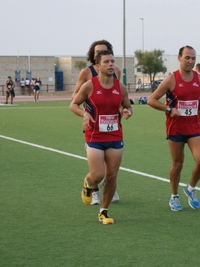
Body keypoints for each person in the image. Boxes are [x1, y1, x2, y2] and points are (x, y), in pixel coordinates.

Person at [69, 50, 132, 224]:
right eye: (106, 62)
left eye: (113, 61)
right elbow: (73, 104)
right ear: (98, 66)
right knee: (97, 175)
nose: (111, 64)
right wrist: (84, 114)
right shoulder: (89, 85)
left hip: (114, 135)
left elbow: (127, 106)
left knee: (111, 176)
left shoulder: (120, 87)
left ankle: (103, 211)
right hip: (94, 136)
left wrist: (127, 111)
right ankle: (88, 183)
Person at [147, 45, 200, 211]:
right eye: (187, 57)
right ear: (179, 58)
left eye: (193, 58)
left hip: (194, 126)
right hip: (175, 128)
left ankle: (190, 189)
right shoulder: (171, 80)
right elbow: (151, 100)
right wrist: (168, 109)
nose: (190, 61)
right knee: (178, 164)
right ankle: (174, 196)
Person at [72, 39, 121, 205]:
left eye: (105, 52)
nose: (100, 54)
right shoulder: (87, 73)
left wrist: (123, 109)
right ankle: (94, 191)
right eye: (97, 52)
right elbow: (75, 96)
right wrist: (86, 111)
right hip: (92, 123)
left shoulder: (116, 72)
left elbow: (119, 98)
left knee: (111, 167)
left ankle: (109, 186)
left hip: (112, 126)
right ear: (94, 56)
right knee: (97, 167)